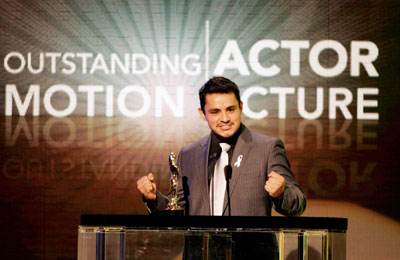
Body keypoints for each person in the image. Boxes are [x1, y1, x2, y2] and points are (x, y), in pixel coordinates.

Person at [137, 76, 306, 217]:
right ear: (202, 114)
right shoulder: (189, 154)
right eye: (215, 112)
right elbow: (176, 210)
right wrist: (153, 199)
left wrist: (281, 193)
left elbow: (298, 204)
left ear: (241, 108)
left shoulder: (267, 148)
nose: (224, 118)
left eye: (230, 109)